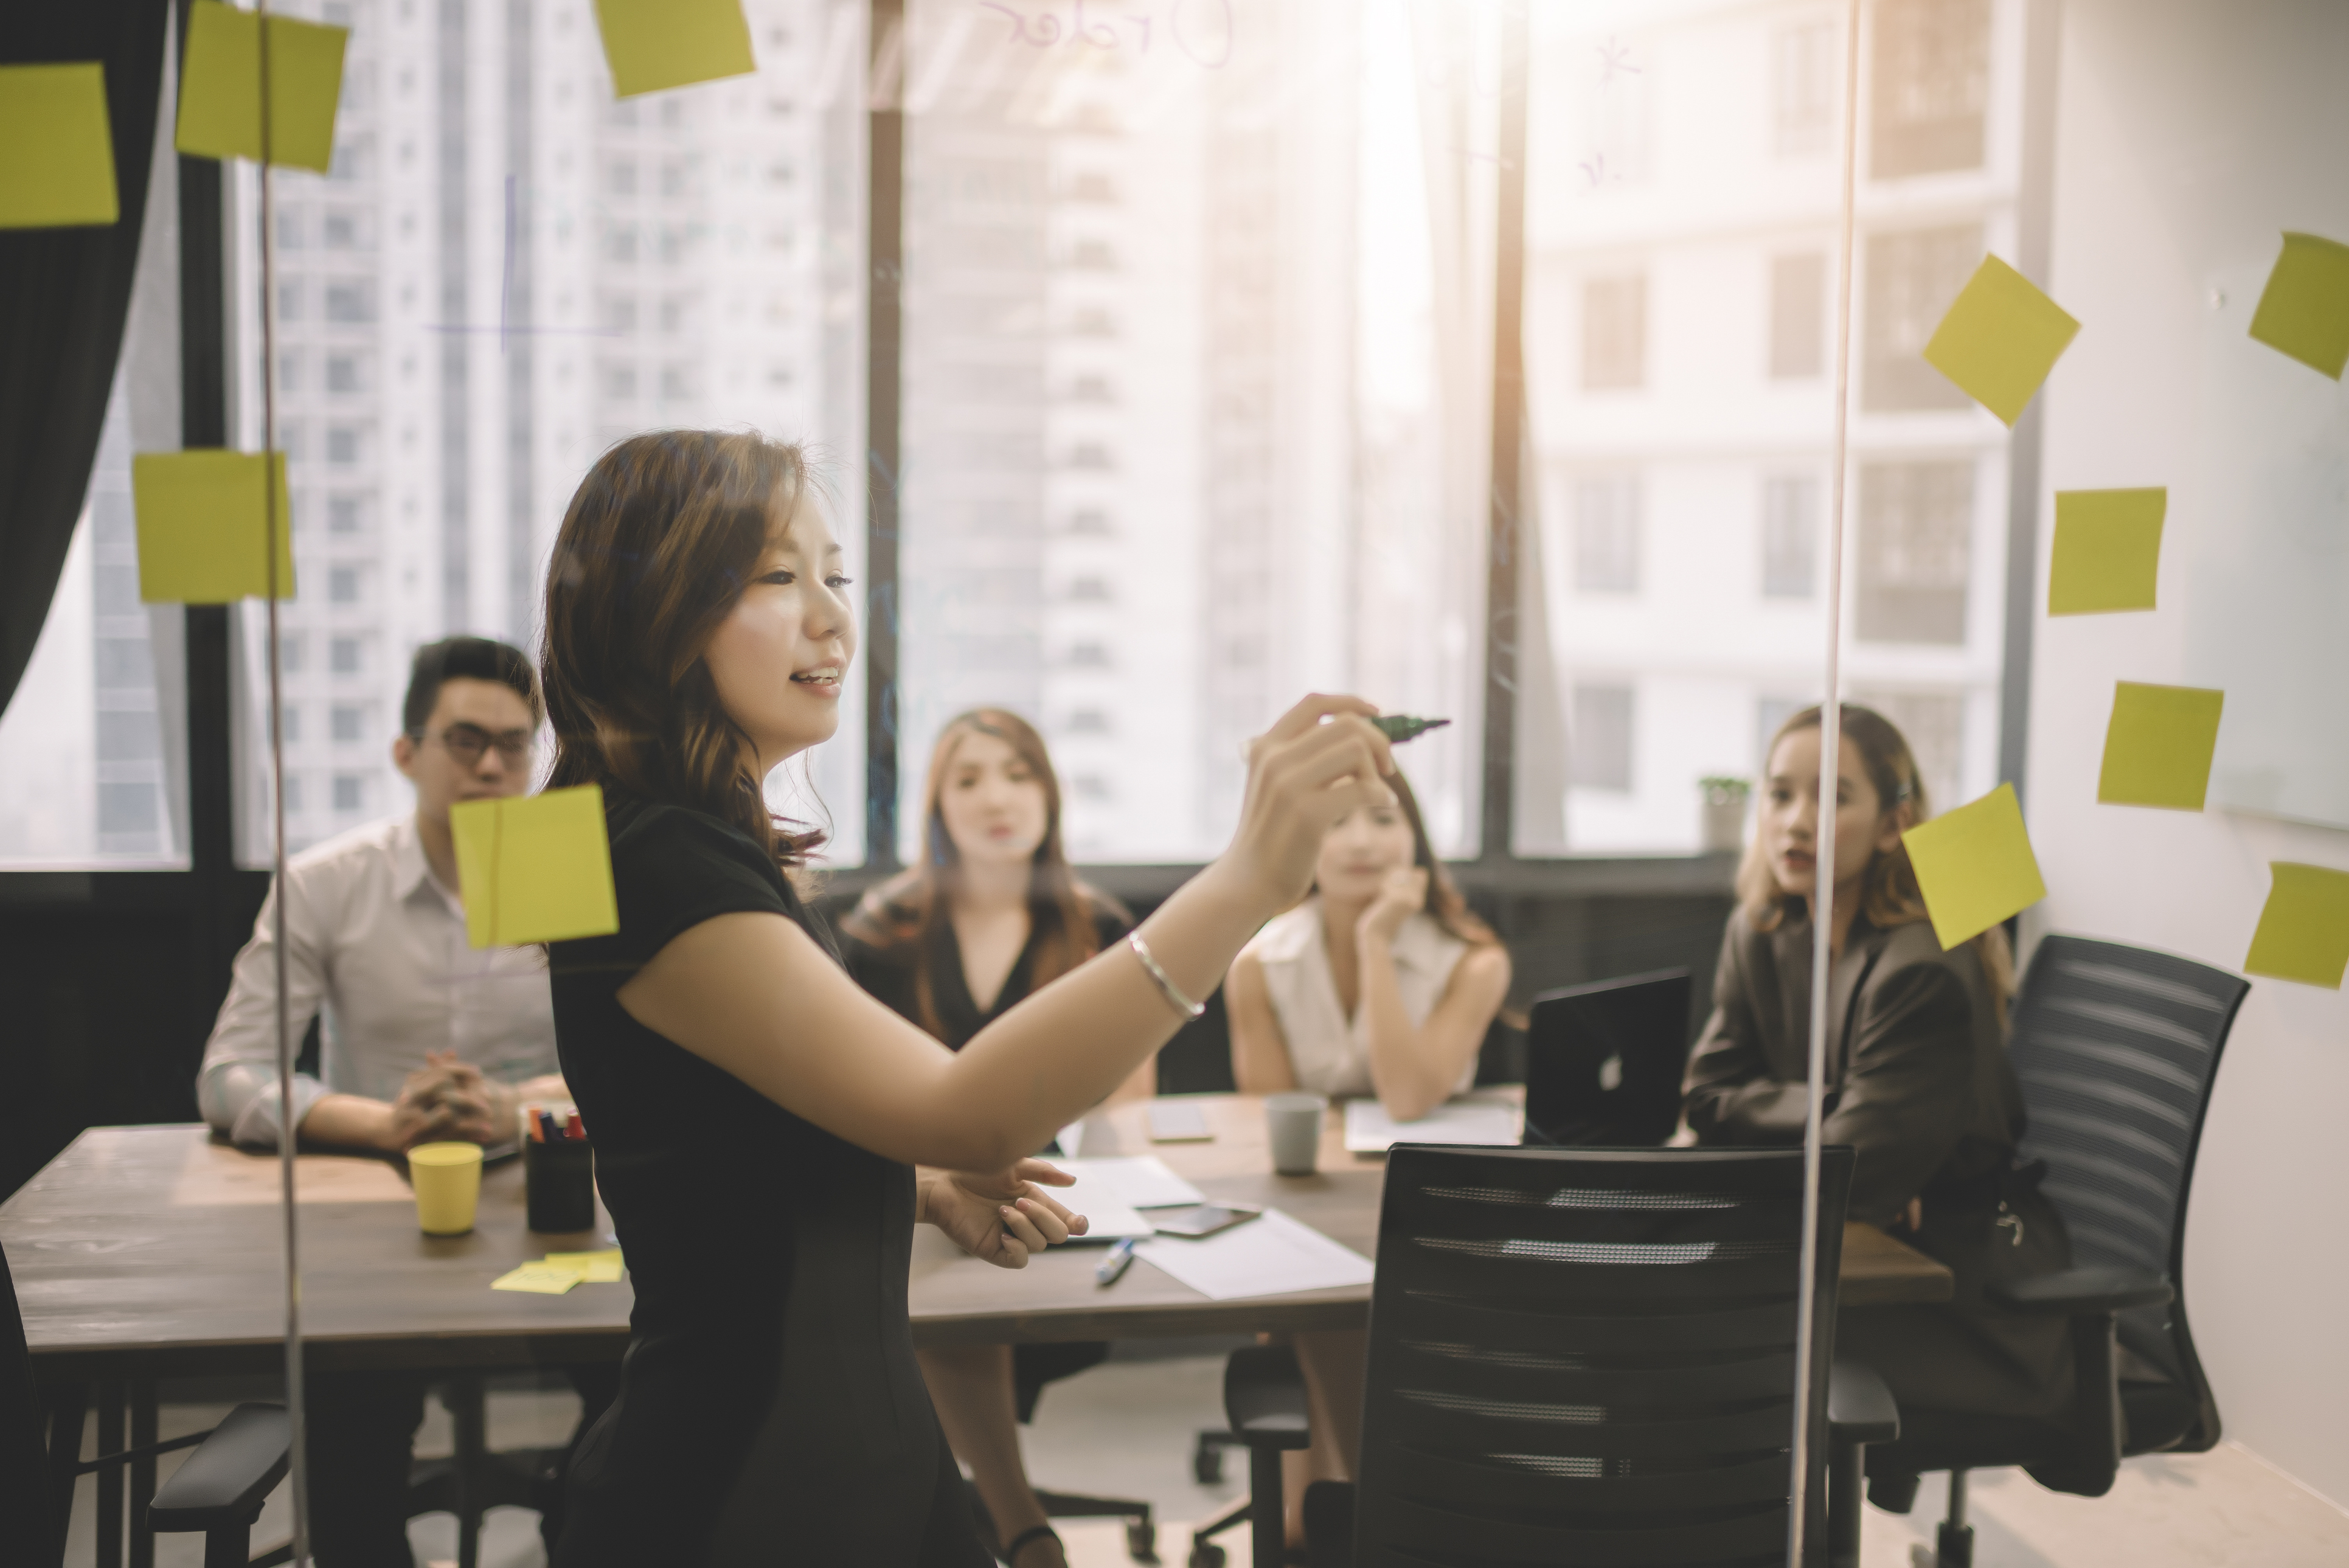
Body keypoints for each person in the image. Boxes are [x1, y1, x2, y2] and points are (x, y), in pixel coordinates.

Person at [536, 429, 1397, 1567]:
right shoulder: (650, 858)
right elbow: (970, 1105)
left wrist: (920, 1181)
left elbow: (738, 1135)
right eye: (779, 577)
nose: (834, 619)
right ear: (658, 611)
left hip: (855, 1473)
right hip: (748, 1497)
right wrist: (1245, 881)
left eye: (835, 577)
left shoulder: (690, 845)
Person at [196, 636, 602, 1567]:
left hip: (551, 1192)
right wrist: (378, 1121)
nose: (494, 764)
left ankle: (571, 1532)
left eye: (514, 743)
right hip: (383, 1201)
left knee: (649, 1383)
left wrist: (515, 1107)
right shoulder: (329, 881)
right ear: (406, 752)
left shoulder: (562, 871)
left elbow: (637, 1060)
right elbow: (231, 1073)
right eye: (466, 740)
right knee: (346, 1421)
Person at [1679, 704, 2072, 1440]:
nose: (1796, 821)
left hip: (1960, 1290)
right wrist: (1842, 1108)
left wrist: (1838, 1153)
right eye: (1780, 792)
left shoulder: (1921, 968)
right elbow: (1705, 1098)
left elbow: (1843, 1178)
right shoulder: (1763, 928)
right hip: (1858, 1251)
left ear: (1894, 824)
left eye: (1833, 796)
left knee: (1697, 1349)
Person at [840, 709, 1145, 1568]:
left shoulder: (1099, 924)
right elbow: (866, 1095)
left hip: (1075, 1202)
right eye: (967, 778)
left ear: (1049, 793)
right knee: (949, 1272)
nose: (996, 798)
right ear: (935, 804)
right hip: (933, 1209)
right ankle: (1021, 1524)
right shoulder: (882, 929)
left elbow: (1133, 1103)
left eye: (1017, 773)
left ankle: (992, 1520)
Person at [1224, 769, 1514, 1538]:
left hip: (1444, 1218)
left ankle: (1344, 1511)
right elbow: (1275, 1122)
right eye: (1334, 822)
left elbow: (1409, 1093)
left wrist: (1376, 944)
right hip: (1313, 1209)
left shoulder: (1475, 961)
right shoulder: (1257, 965)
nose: (1359, 842)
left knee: (1351, 1291)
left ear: (1415, 838)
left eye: (1382, 819)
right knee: (1323, 1279)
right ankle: (1361, 1514)